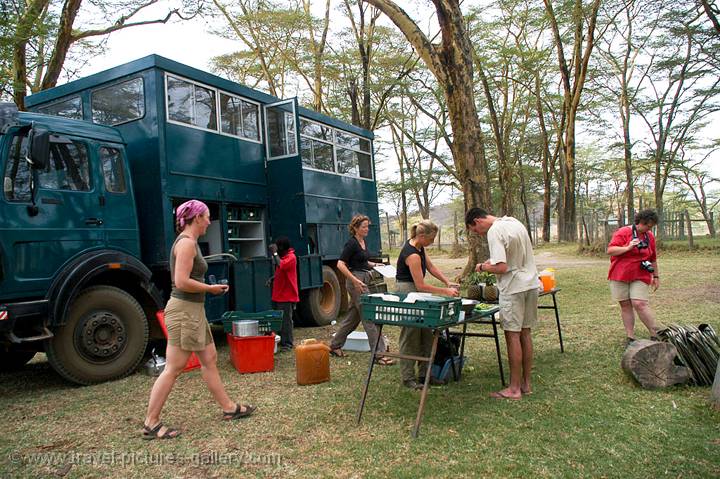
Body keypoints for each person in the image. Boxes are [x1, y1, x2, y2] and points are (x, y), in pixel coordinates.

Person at [142, 200, 255, 440]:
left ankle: (228, 407)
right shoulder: (186, 244)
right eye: (206, 217)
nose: (209, 221)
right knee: (174, 367)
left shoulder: (190, 242)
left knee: (210, 358)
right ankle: (151, 422)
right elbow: (181, 281)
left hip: (193, 310)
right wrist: (210, 288)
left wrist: (207, 290)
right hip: (184, 310)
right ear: (195, 218)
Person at [466, 208, 538, 401]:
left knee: (512, 335)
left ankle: (514, 389)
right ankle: (526, 384)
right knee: (525, 332)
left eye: (475, 230)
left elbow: (502, 267)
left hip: (513, 288)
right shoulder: (514, 222)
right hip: (531, 284)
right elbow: (511, 257)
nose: (478, 234)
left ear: (478, 221)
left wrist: (482, 266)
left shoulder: (494, 231)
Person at [396, 220, 459, 390]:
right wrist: (445, 292)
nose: (432, 242)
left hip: (418, 293)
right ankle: (408, 378)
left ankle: (426, 375)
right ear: (421, 236)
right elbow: (420, 285)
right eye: (431, 239)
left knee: (427, 334)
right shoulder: (412, 254)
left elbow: (430, 266)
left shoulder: (420, 248)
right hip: (408, 292)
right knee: (410, 335)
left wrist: (447, 282)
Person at [329, 215, 395, 365]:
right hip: (356, 282)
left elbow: (361, 261)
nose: (366, 229)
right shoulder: (351, 243)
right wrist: (354, 280)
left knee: (354, 317)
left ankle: (335, 345)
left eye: (367, 226)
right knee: (370, 316)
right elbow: (341, 264)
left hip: (364, 278)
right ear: (356, 228)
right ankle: (379, 354)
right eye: (364, 226)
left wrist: (374, 265)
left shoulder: (362, 242)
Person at [606, 209, 662, 345]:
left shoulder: (649, 236)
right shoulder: (623, 232)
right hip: (620, 273)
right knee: (625, 305)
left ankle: (655, 334)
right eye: (648, 225)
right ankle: (630, 337)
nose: (649, 229)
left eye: (652, 226)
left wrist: (656, 276)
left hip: (640, 273)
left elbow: (653, 258)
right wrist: (627, 247)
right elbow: (610, 250)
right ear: (641, 222)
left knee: (639, 303)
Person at [270, 236, 299, 351]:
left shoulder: (291, 257)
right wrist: (273, 278)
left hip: (287, 296)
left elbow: (281, 265)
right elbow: (281, 271)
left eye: (278, 248)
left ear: (282, 248)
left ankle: (288, 343)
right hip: (279, 294)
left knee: (286, 321)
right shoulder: (284, 257)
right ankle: (282, 341)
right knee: (280, 320)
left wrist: (274, 253)